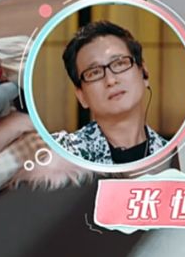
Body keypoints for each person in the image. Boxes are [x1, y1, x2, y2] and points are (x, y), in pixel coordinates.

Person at [53, 21, 167, 165]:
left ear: (144, 73)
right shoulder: (61, 153)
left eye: (120, 63)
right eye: (94, 72)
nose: (111, 80)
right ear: (81, 96)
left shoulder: (175, 156)